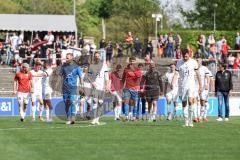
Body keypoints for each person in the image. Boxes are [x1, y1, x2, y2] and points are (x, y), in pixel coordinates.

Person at [172, 49, 202, 127]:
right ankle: (186, 121)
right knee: (184, 103)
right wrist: (173, 82)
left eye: (186, 55)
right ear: (182, 55)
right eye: (184, 56)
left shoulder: (193, 62)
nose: (185, 57)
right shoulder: (179, 62)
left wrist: (200, 85)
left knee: (191, 101)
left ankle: (190, 120)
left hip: (191, 85)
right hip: (182, 86)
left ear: (189, 54)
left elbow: (198, 73)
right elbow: (176, 73)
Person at [60, 53, 83, 124]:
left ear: (72, 58)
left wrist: (81, 87)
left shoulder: (77, 67)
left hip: (73, 88)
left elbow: (81, 77)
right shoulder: (63, 66)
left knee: (72, 102)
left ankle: (73, 117)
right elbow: (60, 76)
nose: (66, 59)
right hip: (65, 88)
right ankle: (68, 117)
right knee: (66, 103)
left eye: (67, 58)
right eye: (66, 57)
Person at [122, 57, 142, 121]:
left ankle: (134, 116)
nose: (132, 62)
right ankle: (126, 116)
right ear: (129, 61)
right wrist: (121, 86)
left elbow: (138, 76)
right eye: (131, 61)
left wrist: (133, 70)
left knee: (135, 103)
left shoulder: (137, 69)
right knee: (126, 101)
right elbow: (123, 78)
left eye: (133, 61)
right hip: (127, 88)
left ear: (135, 62)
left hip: (135, 88)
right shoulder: (126, 69)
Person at [196, 58, 211, 122]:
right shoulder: (194, 68)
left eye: (198, 61)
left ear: (201, 62)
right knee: (195, 102)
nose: (197, 62)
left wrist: (207, 84)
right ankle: (196, 116)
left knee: (203, 102)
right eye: (196, 61)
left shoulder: (204, 68)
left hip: (202, 88)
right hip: (194, 87)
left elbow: (208, 77)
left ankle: (201, 116)